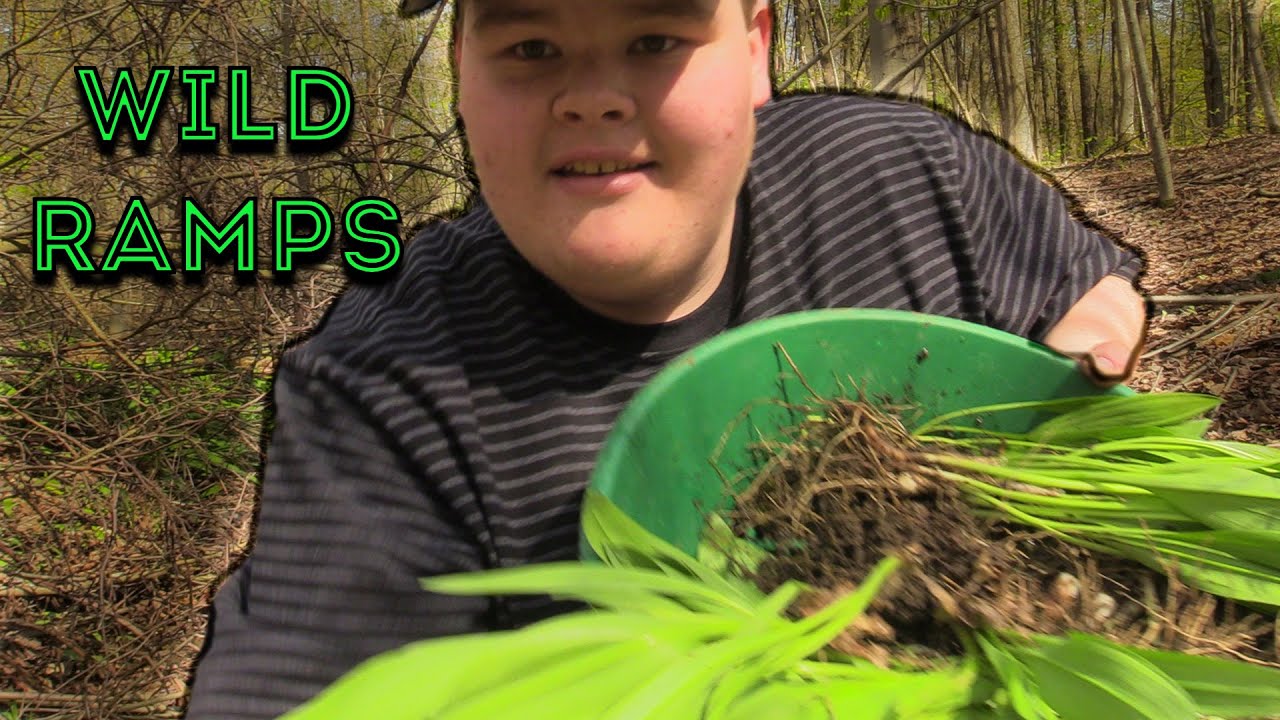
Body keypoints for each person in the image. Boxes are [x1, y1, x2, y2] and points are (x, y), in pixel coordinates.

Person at [183, 0, 1148, 716]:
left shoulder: (912, 183)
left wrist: (1097, 342)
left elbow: (1080, 322)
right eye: (530, 47)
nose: (594, 98)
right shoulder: (390, 378)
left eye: (655, 39)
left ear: (758, 47)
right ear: (460, 83)